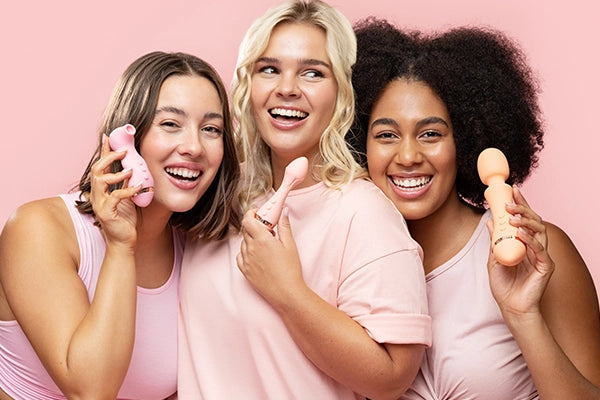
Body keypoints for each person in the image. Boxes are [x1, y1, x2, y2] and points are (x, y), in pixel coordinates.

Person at [177, 1, 432, 399]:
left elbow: (392, 377)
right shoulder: (217, 195)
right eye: (269, 69)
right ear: (249, 85)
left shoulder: (362, 212)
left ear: (341, 94)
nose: (287, 88)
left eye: (312, 72)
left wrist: (289, 293)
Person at [350, 18, 600, 399]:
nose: (408, 155)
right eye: (386, 135)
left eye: (430, 134)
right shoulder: (351, 267)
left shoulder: (539, 253)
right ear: (358, 145)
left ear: (466, 141)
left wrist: (523, 315)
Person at [0, 51, 240, 400]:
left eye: (211, 129)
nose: (194, 147)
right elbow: (90, 390)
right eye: (170, 124)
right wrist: (120, 246)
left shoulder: (198, 254)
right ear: (125, 137)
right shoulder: (39, 229)